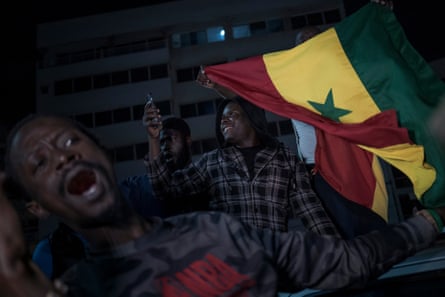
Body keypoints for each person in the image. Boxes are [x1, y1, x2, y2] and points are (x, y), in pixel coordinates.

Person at [0, 113, 444, 297]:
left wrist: (430, 222)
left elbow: (339, 257)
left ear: (100, 153)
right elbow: (168, 185)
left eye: (70, 141)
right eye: (40, 163)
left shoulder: (216, 232)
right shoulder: (78, 290)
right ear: (37, 206)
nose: (62, 156)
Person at [146, 95, 340, 235]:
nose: (223, 120)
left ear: (251, 119)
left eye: (232, 114)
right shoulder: (212, 161)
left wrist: (340, 255)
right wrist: (153, 139)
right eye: (222, 117)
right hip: (231, 267)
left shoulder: (285, 160)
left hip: (275, 261)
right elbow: (166, 189)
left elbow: (311, 212)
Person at [290, 24, 388, 239]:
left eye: (313, 40)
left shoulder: (345, 76)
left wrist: (381, 18)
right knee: (332, 236)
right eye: (302, 43)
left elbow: (378, 60)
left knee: (362, 228)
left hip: (347, 164)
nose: (308, 46)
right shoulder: (288, 84)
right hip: (314, 173)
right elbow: (250, 94)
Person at [119, 115, 208, 218]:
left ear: (187, 141)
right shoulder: (139, 187)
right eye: (161, 142)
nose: (165, 146)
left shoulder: (203, 178)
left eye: (171, 139)